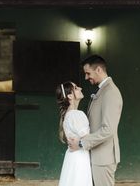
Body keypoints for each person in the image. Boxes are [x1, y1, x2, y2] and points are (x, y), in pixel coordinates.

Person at [68, 55, 123, 186]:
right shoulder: (103, 90)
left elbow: (108, 130)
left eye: (88, 73)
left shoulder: (110, 92)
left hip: (103, 158)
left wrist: (81, 143)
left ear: (98, 69)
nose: (86, 77)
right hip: (97, 155)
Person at [56, 81, 93, 186]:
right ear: (70, 96)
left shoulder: (67, 115)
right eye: (76, 88)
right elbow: (88, 138)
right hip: (80, 159)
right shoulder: (77, 115)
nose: (80, 88)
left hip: (72, 157)